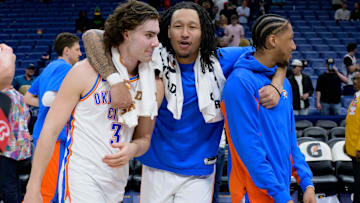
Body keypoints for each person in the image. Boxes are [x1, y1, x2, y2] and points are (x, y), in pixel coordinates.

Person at [82, 2, 286, 202]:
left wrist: (277, 82)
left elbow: (276, 51)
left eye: (192, 27)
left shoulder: (222, 60)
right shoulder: (150, 58)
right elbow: (92, 36)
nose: (185, 33)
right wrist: (114, 80)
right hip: (156, 168)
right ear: (168, 31)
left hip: (199, 173)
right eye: (178, 26)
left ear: (203, 31)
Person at [23, 1, 163, 202]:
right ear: (126, 33)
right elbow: (50, 130)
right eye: (149, 35)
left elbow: (144, 138)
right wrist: (33, 188)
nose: (156, 42)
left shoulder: (152, 84)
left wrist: (133, 149)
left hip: (116, 182)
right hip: (80, 176)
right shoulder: (84, 72)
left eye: (156, 35)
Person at [221, 14, 316, 203]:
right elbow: (248, 149)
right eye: (290, 39)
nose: (294, 46)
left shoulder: (283, 85)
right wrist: (280, 195)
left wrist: (307, 183)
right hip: (252, 194)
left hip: (279, 192)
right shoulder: (239, 82)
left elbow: (291, 141)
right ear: (272, 41)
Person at [23, 32, 82, 203]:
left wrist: (43, 105)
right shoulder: (65, 68)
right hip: (53, 137)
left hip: (45, 134)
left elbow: (28, 97)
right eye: (77, 49)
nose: (80, 53)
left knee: (49, 189)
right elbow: (49, 98)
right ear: (66, 51)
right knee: (48, 192)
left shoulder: (49, 67)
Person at [0, 85, 32, 203]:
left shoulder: (3, 96)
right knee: (15, 183)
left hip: (7, 148)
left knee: (8, 185)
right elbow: (27, 118)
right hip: (22, 147)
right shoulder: (21, 96)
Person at [345, 71, 360, 203]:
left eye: (357, 79)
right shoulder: (356, 97)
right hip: (353, 149)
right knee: (357, 180)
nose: (354, 82)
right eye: (353, 79)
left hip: (359, 149)